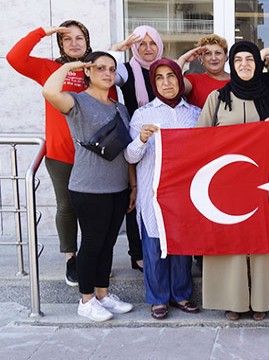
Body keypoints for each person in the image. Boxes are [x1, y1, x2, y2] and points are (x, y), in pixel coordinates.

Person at [196, 41, 269, 321]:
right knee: (232, 241)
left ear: (258, 64)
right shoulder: (218, 98)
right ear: (232, 64)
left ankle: (263, 299)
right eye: (239, 60)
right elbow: (199, 141)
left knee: (263, 240)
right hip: (228, 182)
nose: (245, 65)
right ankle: (232, 300)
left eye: (250, 59)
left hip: (266, 182)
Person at [42, 51, 133, 321]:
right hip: (88, 187)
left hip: (118, 187)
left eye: (111, 69)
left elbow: (126, 150)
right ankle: (86, 299)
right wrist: (71, 65)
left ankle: (103, 295)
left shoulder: (120, 107)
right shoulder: (77, 102)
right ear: (88, 72)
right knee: (92, 244)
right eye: (100, 68)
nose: (107, 73)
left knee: (107, 244)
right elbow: (49, 90)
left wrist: (133, 185)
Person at [7, 20, 95, 287]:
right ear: (60, 43)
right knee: (66, 206)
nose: (74, 43)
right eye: (67, 39)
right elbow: (14, 57)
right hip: (61, 154)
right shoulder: (49, 68)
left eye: (79, 38)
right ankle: (71, 257)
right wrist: (42, 32)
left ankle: (93, 257)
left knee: (93, 209)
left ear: (87, 40)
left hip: (95, 155)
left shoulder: (97, 67)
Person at [124, 59, 201, 320]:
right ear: (153, 82)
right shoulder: (142, 114)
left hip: (184, 193)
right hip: (153, 192)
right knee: (154, 245)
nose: (166, 82)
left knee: (181, 246)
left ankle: (181, 294)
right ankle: (157, 298)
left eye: (171, 76)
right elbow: (130, 157)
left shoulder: (195, 113)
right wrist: (142, 139)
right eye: (159, 78)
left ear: (180, 80)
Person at [110, 25, 166, 272]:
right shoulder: (126, 70)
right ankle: (137, 252)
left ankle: (164, 244)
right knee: (135, 195)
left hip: (161, 139)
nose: (147, 48)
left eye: (152, 42)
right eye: (141, 43)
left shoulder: (165, 70)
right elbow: (104, 71)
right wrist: (115, 50)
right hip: (135, 138)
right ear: (133, 47)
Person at [176, 34, 230, 108]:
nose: (213, 58)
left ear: (226, 56)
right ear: (201, 58)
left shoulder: (236, 80)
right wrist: (182, 59)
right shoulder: (193, 80)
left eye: (218, 53)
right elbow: (173, 85)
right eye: (208, 53)